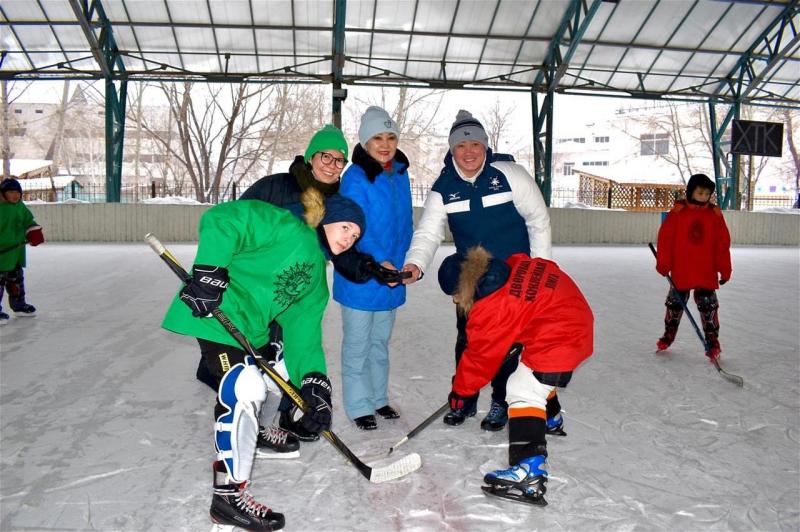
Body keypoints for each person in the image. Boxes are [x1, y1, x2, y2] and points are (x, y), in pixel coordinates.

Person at [162, 189, 366, 531]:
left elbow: (305, 338)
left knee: (279, 374)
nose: (349, 238)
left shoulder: (317, 280)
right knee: (247, 389)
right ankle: (228, 497)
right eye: (346, 227)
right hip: (218, 316)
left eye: (356, 235)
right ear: (327, 219)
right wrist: (210, 274)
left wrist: (315, 386)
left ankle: (259, 433)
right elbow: (223, 219)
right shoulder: (285, 225)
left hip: (252, 332)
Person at [193, 124, 406, 444]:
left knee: (285, 355)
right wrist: (214, 272)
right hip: (246, 290)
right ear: (310, 156)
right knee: (242, 368)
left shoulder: (338, 201)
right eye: (326, 156)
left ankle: (292, 415)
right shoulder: (275, 187)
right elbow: (233, 222)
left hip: (292, 294)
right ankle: (239, 422)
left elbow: (338, 248)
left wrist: (369, 267)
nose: (332, 165)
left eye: (339, 160)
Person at [402, 109, 552, 431]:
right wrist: (415, 263)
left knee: (507, 343)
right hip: (472, 277)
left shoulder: (510, 175)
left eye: (475, 145)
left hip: (514, 279)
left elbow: (538, 221)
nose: (469, 152)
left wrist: (540, 272)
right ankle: (464, 399)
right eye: (461, 146)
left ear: (485, 146)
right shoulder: (444, 187)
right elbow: (429, 232)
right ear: (452, 150)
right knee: (468, 340)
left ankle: (500, 401)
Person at [438, 246, 593, 505]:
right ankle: (551, 418)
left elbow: (478, 359)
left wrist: (460, 394)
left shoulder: (491, 309)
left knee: (521, 390)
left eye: (455, 293)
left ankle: (529, 471)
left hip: (562, 337)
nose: (455, 300)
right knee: (533, 377)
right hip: (574, 318)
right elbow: (541, 280)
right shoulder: (515, 264)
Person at [333, 106, 413, 430]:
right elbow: (352, 226)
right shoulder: (355, 177)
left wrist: (405, 259)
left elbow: (406, 221)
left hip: (392, 275)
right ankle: (357, 405)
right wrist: (380, 260)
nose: (385, 144)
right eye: (377, 137)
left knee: (379, 343)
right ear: (365, 142)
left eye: (391, 137)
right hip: (362, 275)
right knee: (357, 345)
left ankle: (378, 398)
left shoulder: (400, 174)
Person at [655, 173, 732, 360]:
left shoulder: (714, 215)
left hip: (706, 269)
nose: (704, 197)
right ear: (691, 192)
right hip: (682, 269)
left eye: (707, 194)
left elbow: (722, 243)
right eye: (700, 193)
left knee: (708, 306)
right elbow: (666, 240)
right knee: (675, 304)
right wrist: (664, 263)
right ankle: (668, 335)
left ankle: (712, 341)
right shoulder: (678, 213)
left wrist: (725, 268)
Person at [0, 177, 44, 324]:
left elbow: (28, 221)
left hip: (15, 254)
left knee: (16, 281)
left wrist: (33, 232)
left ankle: (19, 305)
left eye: (17, 192)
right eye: (11, 192)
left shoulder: (20, 206)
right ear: (3, 193)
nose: (15, 195)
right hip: (2, 255)